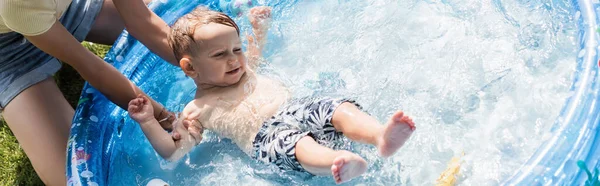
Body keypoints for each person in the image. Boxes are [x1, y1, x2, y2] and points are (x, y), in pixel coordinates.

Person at [128, 6, 417, 184]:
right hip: (264, 136)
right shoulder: (197, 109)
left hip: (296, 108)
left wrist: (259, 30)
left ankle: (379, 135)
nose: (235, 60)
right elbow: (173, 151)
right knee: (296, 143)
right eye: (220, 55)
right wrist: (148, 121)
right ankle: (335, 161)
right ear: (190, 68)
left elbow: (256, 53)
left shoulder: (245, 70)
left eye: (236, 49)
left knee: (336, 107)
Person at [0, 0, 202, 185]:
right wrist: (165, 117)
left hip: (67, 9)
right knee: (75, 175)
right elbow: (92, 69)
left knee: (199, 27)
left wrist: (205, 69)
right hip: (7, 54)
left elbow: (142, 20)